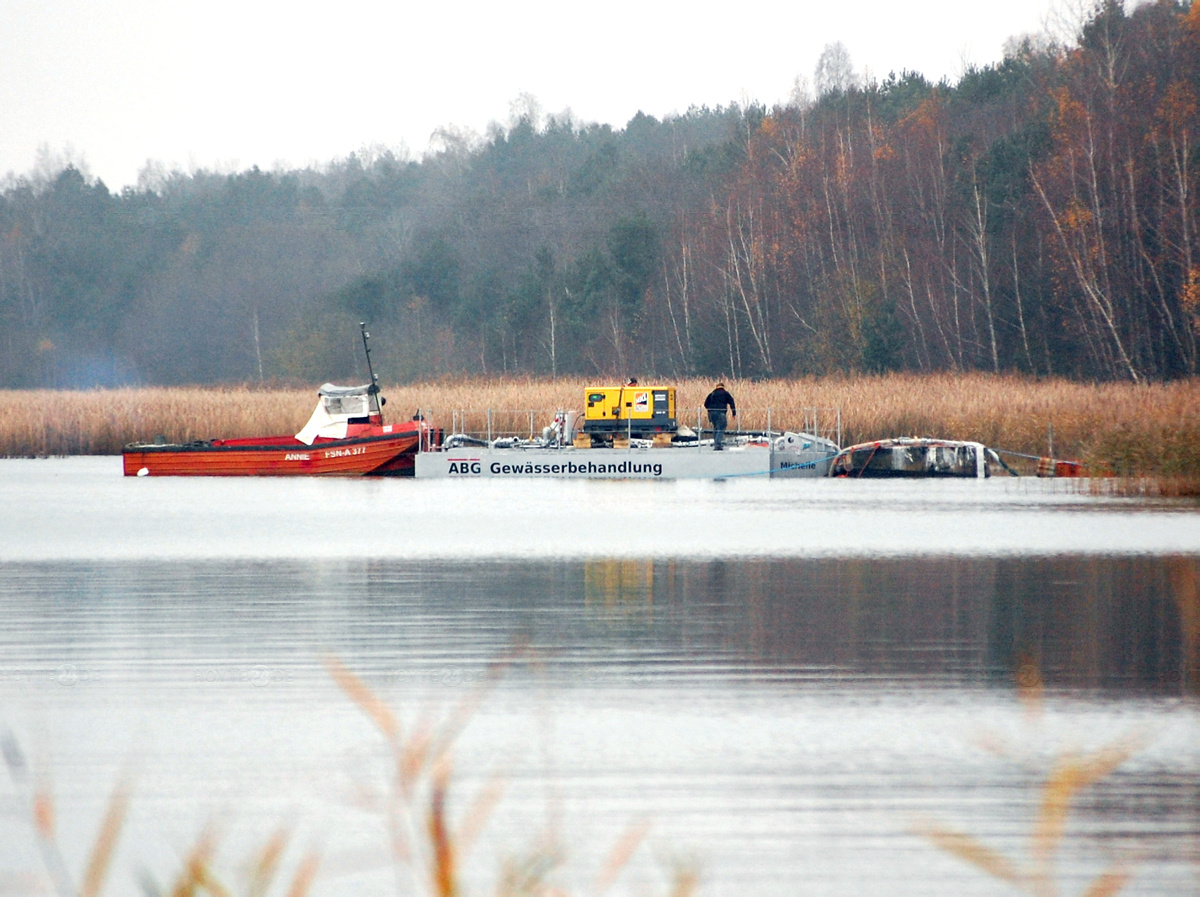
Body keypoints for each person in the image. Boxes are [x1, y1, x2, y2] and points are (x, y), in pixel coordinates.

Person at [704, 381, 736, 450]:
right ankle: (718, 445)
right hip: (721, 412)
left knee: (716, 428)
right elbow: (731, 402)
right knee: (721, 428)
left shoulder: (712, 394)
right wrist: (734, 413)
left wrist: (710, 410)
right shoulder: (725, 393)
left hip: (712, 413)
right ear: (723, 387)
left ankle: (716, 443)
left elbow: (706, 404)